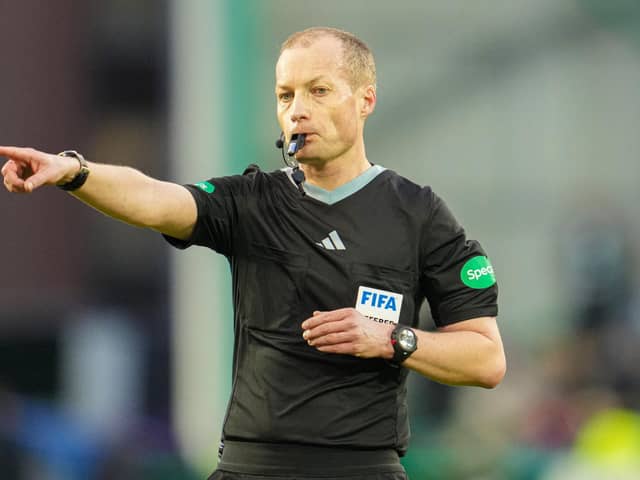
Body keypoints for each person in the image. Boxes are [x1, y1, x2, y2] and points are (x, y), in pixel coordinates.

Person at [1, 27, 506, 480]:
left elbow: (486, 359)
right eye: (285, 95)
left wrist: (394, 338)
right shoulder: (253, 202)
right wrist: (74, 171)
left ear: (365, 99)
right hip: (252, 467)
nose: (297, 110)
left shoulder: (417, 213)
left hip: (363, 467)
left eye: (319, 91)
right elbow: (154, 198)